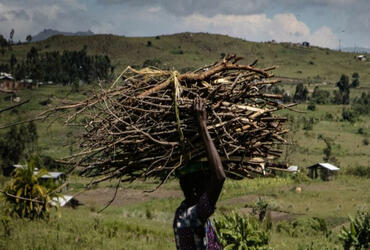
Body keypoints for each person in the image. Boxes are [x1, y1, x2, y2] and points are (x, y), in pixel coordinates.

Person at [173, 97, 226, 250]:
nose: (208, 186)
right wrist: (202, 126)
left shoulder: (183, 213)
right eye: (205, 181)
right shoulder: (192, 216)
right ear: (195, 187)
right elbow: (220, 177)